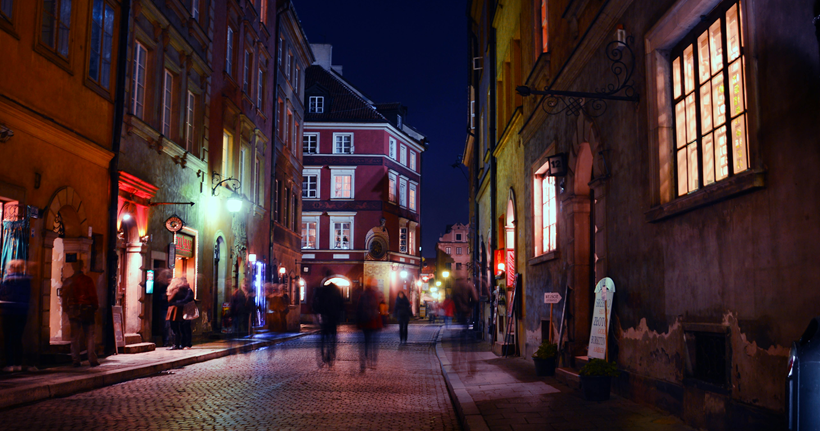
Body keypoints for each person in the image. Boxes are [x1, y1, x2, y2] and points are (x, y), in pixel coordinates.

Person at [60, 260, 99, 367]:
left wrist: (66, 308)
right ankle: (92, 359)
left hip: (73, 310)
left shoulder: (69, 281)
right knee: (89, 336)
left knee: (74, 337)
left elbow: (64, 297)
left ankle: (76, 360)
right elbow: (93, 295)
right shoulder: (87, 280)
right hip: (86, 309)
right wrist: (95, 307)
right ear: (82, 267)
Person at [0, 260, 31, 372]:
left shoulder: (7, 281)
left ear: (11, 269)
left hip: (8, 312)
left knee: (8, 339)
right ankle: (18, 363)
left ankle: (10, 364)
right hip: (22, 313)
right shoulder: (26, 280)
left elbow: (2, 294)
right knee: (17, 338)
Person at [312, 282, 343, 368]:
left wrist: (318, 314)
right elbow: (342, 305)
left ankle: (323, 355)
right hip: (333, 319)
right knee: (332, 338)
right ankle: (331, 354)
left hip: (324, 318)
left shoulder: (323, 291)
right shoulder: (336, 293)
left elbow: (316, 304)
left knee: (323, 338)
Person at [356, 279, 383, 372]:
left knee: (365, 342)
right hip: (373, 321)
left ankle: (364, 363)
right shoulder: (375, 294)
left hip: (364, 321)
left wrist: (357, 322)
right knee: (374, 342)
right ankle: (373, 362)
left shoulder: (362, 295)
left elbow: (358, 308)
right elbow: (378, 307)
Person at [166, 277, 193, 350]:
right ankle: (179, 344)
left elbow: (169, 299)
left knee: (174, 328)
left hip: (174, 309)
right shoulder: (182, 289)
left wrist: (169, 294)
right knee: (178, 328)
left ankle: (176, 344)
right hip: (177, 309)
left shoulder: (176, 290)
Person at [153, 269, 173, 347]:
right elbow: (159, 298)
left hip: (169, 307)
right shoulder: (161, 287)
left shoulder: (172, 287)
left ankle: (168, 341)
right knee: (166, 325)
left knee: (169, 325)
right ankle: (166, 341)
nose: (169, 281)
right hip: (164, 307)